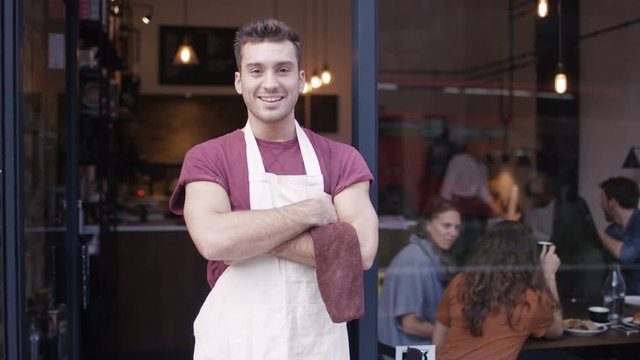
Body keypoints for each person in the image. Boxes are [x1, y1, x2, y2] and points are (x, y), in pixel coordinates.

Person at [168, 19, 378, 359]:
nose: (270, 83)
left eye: (283, 69)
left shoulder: (341, 159)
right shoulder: (208, 157)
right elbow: (214, 241)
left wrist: (247, 236)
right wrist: (308, 213)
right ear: (239, 81)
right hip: (236, 343)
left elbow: (362, 252)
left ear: (300, 79)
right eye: (256, 70)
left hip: (316, 345)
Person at [433, 221, 564, 360]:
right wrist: (548, 276)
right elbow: (556, 331)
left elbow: (439, 337)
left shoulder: (461, 281)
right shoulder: (531, 297)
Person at [378, 196, 461, 358]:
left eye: (457, 228)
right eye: (447, 226)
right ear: (428, 225)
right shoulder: (415, 260)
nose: (453, 233)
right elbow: (410, 325)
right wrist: (451, 334)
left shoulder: (429, 257)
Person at [440, 139, 503, 264]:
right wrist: (446, 213)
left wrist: (500, 212)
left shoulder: (482, 167)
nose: (487, 153)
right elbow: (446, 189)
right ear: (474, 148)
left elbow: (484, 193)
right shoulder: (459, 161)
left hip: (474, 212)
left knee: (474, 247)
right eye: (485, 149)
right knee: (457, 247)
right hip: (458, 209)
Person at [597, 176, 640, 295]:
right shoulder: (612, 231)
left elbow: (626, 254)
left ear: (613, 203)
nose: (601, 205)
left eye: (602, 199)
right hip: (621, 300)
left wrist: (597, 232)